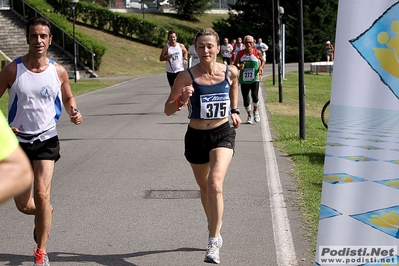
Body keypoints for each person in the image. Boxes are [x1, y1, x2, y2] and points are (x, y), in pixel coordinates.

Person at [0, 17, 83, 266]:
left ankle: (41, 252)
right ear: (28, 39)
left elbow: (68, 97)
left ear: (50, 40)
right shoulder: (12, 70)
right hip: (18, 143)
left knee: (42, 194)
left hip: (47, 139)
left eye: (43, 36)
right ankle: (45, 214)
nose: (38, 40)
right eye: (34, 36)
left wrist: (74, 111)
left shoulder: (58, 71)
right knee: (25, 205)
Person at [164, 28, 241, 264]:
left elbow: (234, 85)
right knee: (205, 189)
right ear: (195, 49)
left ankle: (213, 239)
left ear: (218, 48)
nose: (205, 50)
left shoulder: (230, 71)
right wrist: (181, 100)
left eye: (209, 46)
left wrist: (235, 110)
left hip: (222, 133)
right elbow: (167, 109)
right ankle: (214, 222)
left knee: (215, 183)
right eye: (201, 46)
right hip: (196, 137)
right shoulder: (186, 76)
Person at [0, 110, 32, 205]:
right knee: (24, 205)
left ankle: (44, 209)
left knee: (41, 195)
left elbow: (18, 169)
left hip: (46, 137)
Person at [234, 35, 265, 124]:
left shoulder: (257, 52)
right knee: (246, 99)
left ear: (253, 43)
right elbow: (235, 64)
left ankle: (256, 111)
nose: (248, 44)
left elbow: (263, 61)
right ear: (244, 43)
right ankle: (249, 115)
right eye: (246, 42)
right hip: (244, 79)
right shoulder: (240, 53)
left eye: (250, 42)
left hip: (255, 78)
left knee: (255, 96)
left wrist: (261, 68)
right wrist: (239, 66)